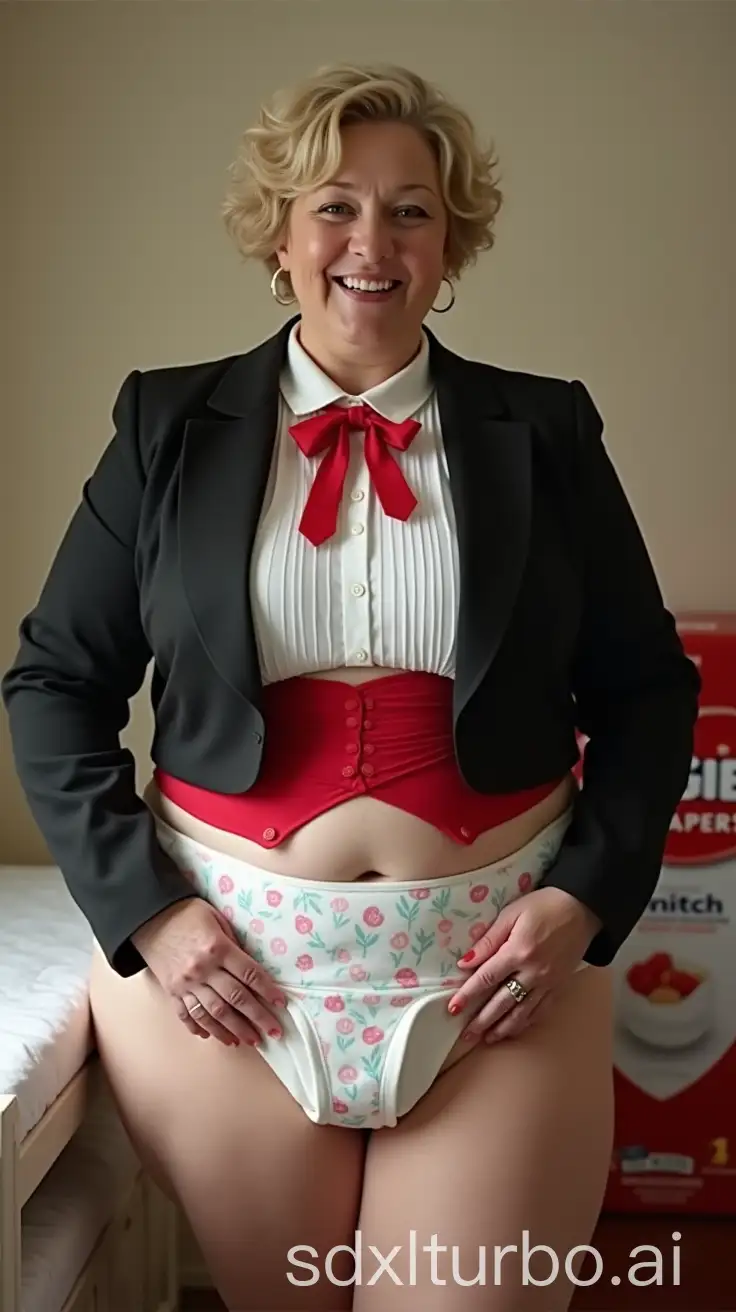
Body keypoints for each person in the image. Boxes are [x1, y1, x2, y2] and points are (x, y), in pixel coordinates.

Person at [2, 61, 700, 1312]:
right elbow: (56, 683)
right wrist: (154, 917)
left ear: (452, 240)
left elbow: (648, 691)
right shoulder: (167, 426)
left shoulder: (545, 433)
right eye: (334, 205)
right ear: (279, 231)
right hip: (225, 981)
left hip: (498, 976)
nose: (370, 243)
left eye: (411, 209)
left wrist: (583, 903)